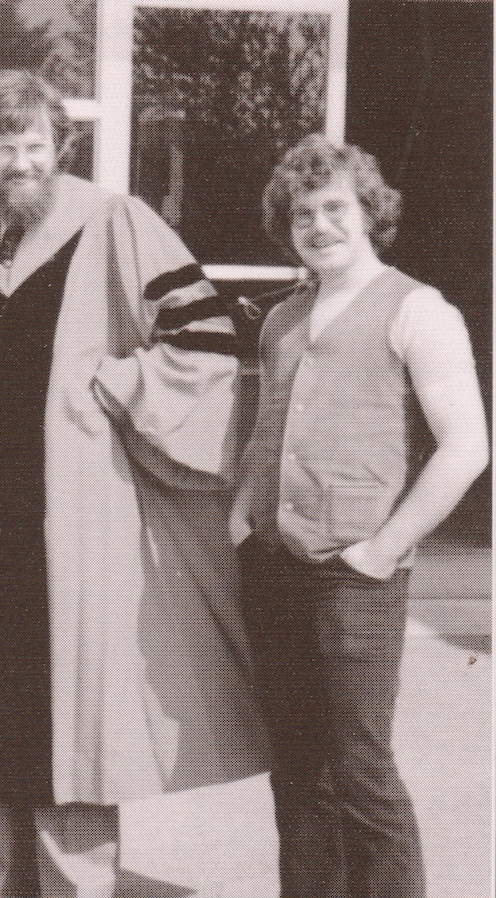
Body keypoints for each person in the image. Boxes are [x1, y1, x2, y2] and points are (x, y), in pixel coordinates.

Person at [0, 70, 267, 898]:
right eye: (3, 145)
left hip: (75, 516)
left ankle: (73, 885)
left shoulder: (113, 222)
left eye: (34, 144)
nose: (20, 161)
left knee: (77, 705)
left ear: (60, 146)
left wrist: (118, 383)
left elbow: (203, 344)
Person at [231, 135, 488, 898]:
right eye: (302, 213)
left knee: (362, 774)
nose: (319, 225)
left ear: (369, 211)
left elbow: (467, 448)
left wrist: (383, 549)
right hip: (273, 567)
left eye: (335, 206)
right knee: (297, 773)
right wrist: (243, 517)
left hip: (356, 578)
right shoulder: (282, 318)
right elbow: (261, 427)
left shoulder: (418, 310)